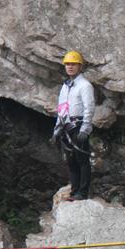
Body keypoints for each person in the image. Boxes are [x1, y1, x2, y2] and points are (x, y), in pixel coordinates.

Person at [51, 50, 95, 201]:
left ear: (79, 66)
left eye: (73, 64)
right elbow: (62, 108)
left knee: (82, 159)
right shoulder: (66, 85)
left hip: (78, 125)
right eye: (67, 64)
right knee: (70, 160)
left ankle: (82, 192)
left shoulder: (85, 85)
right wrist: (57, 129)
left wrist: (86, 128)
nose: (70, 66)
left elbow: (89, 107)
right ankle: (74, 190)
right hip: (66, 126)